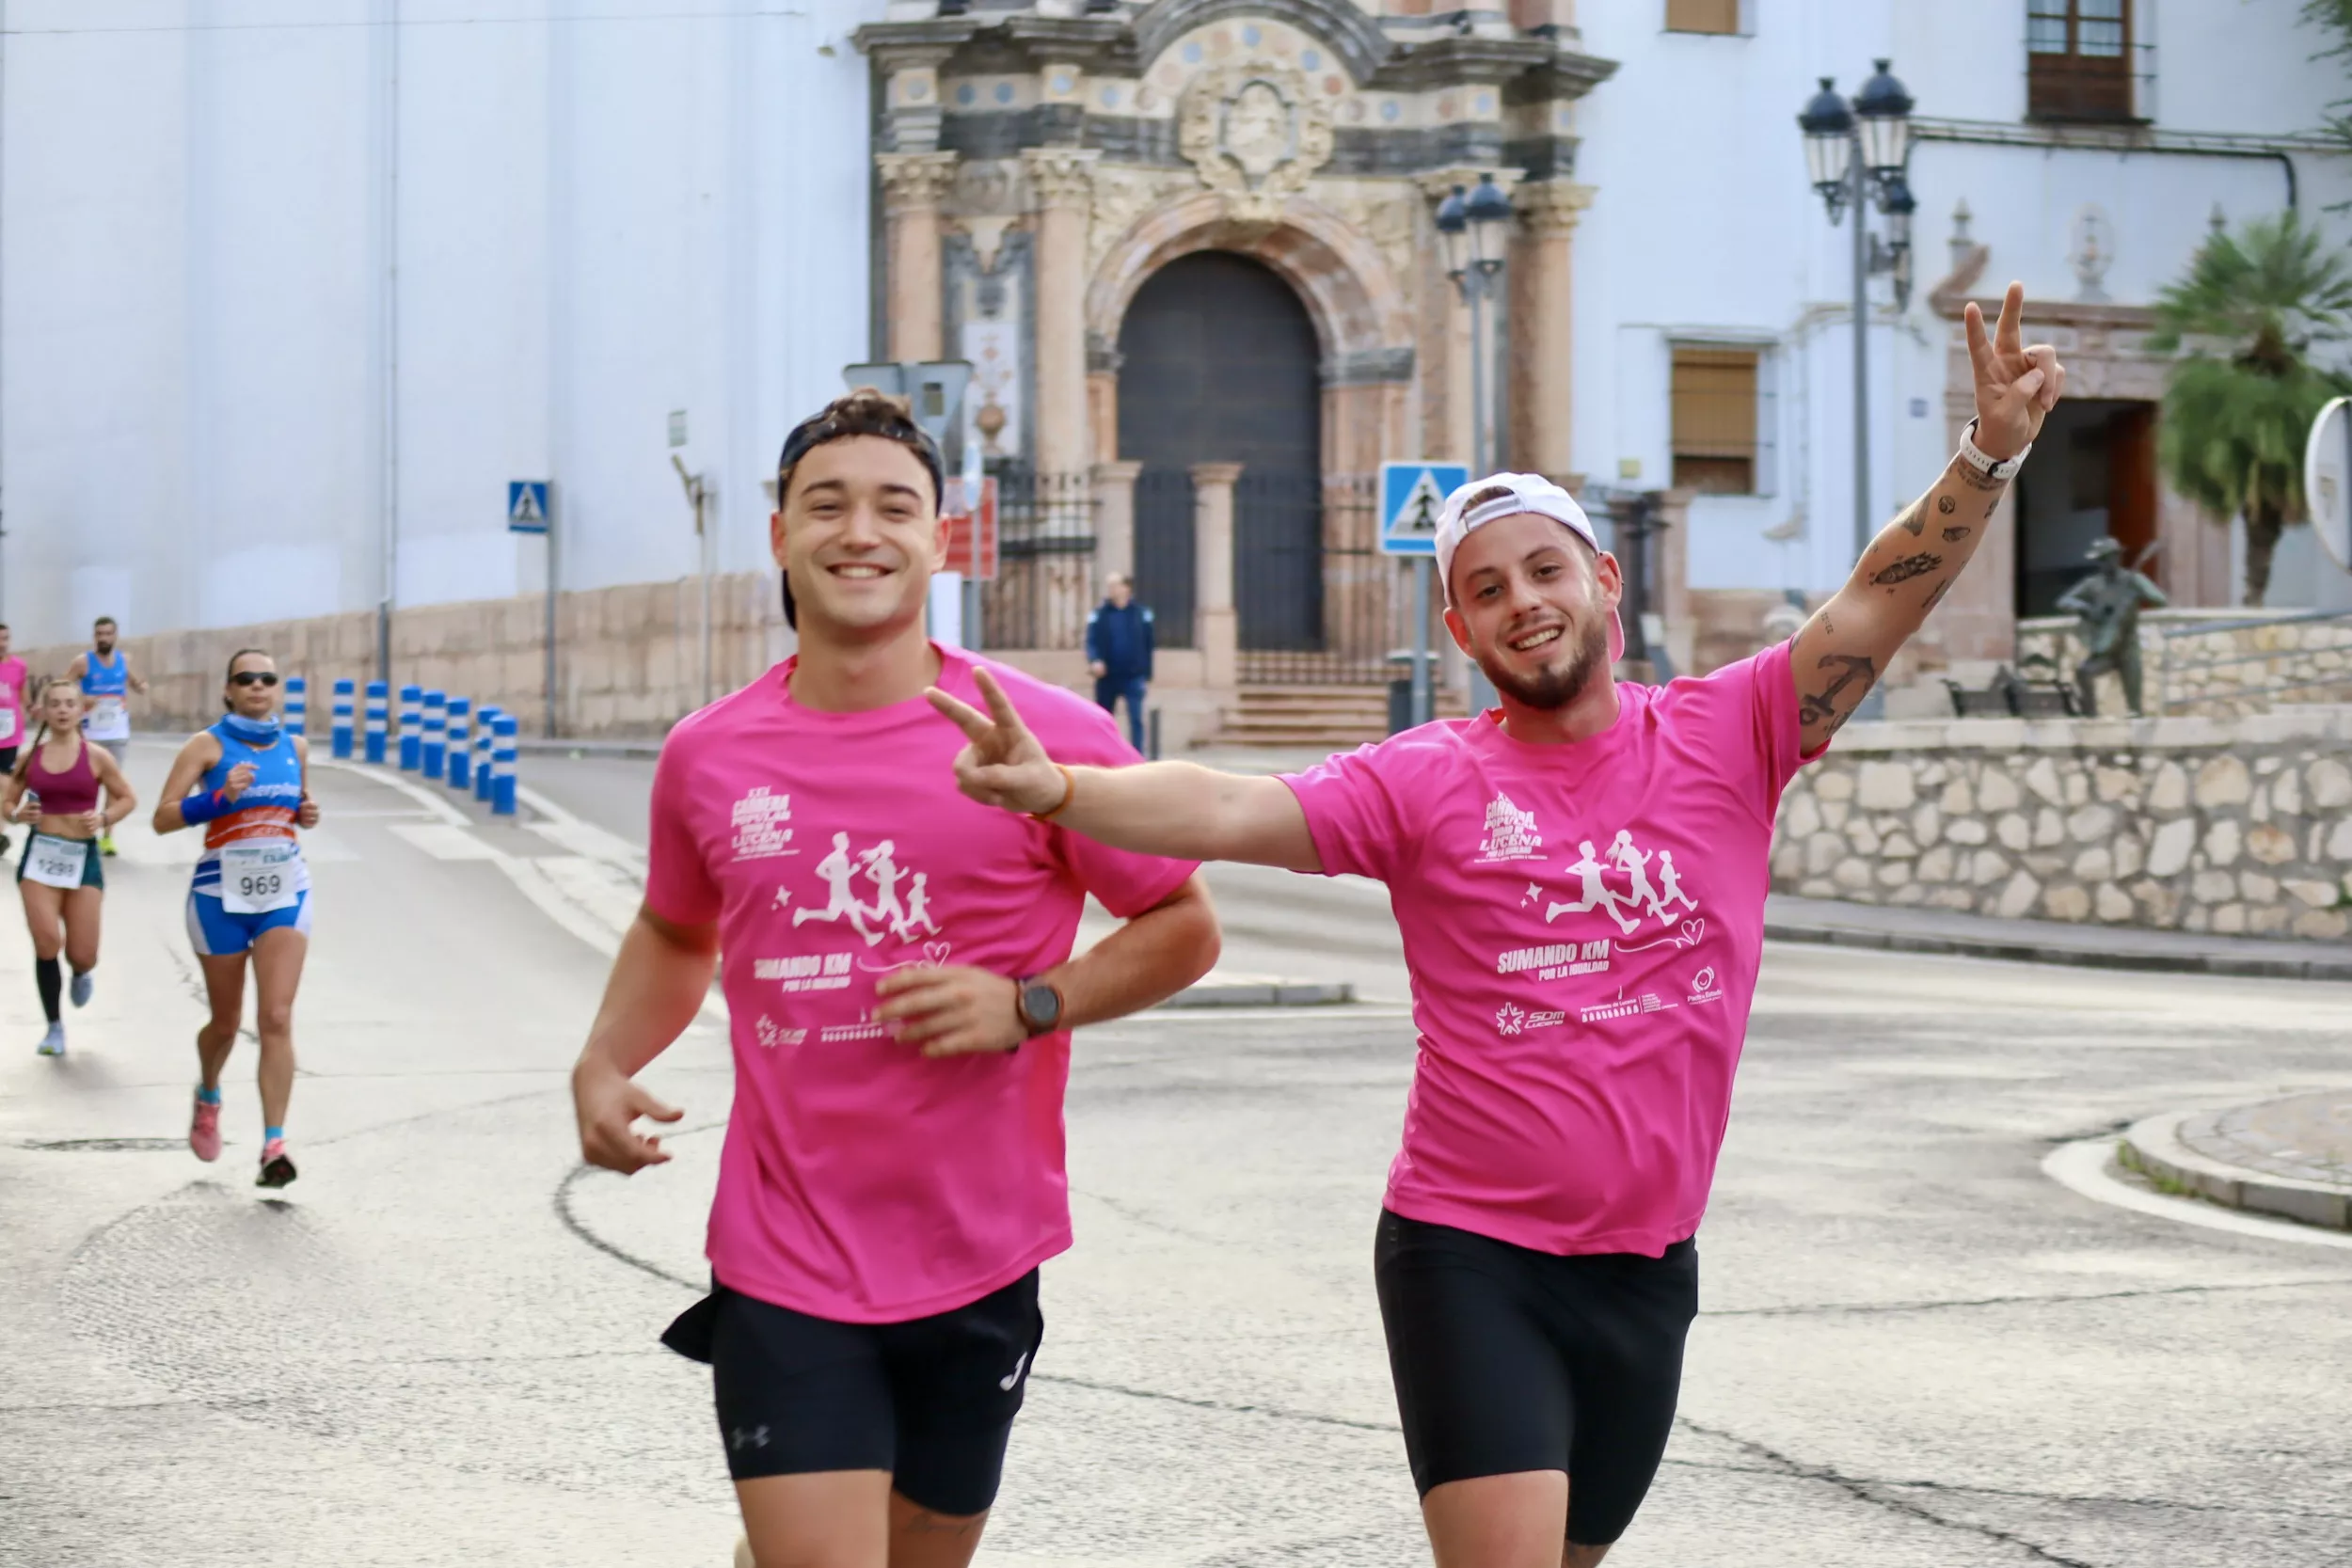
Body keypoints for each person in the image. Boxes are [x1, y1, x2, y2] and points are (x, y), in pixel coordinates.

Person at [927, 285, 2063, 1566]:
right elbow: (1235, 801)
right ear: (1459, 630)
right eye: (1486, 588)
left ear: (1602, 578)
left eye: (1544, 568)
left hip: (1648, 1267)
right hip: (1470, 1253)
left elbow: (1876, 600)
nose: (1523, 600)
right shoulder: (1427, 780)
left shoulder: (1734, 732)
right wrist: (1064, 789)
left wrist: (1988, 454)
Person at [568, 389, 1220, 1568]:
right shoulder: (709, 755)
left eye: (893, 506)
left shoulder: (1038, 734)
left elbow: (1181, 919)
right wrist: (608, 1057)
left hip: (979, 1247)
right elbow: (676, 929)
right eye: (827, 504)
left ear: (939, 537)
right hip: (784, 1250)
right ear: (779, 536)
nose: (858, 530)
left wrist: (1031, 1002)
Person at [151, 649, 320, 1188]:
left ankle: (274, 1145)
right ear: (228, 690)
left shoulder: (296, 746)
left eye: (267, 679)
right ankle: (208, 1091)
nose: (257, 686)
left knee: (275, 1016)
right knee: (226, 1023)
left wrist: (306, 814)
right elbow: (162, 818)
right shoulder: (206, 745)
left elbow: (296, 809)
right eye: (246, 679)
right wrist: (221, 798)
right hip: (219, 895)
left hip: (283, 891)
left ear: (278, 689)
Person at [5, 678, 137, 1057]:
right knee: (47, 942)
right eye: (55, 704)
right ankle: (54, 1028)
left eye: (69, 703)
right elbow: (7, 800)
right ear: (43, 711)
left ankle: (81, 972)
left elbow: (127, 797)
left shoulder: (97, 756)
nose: (62, 710)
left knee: (83, 953)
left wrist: (105, 815)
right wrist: (17, 815)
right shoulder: (31, 757)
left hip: (82, 858)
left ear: (82, 710)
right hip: (40, 857)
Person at [2056, 536, 2168, 716]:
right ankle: (2090, 714)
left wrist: (2136, 592)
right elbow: (2063, 601)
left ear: (2115, 557)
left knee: (2134, 709)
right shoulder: (2093, 584)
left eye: (2104, 559)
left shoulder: (2133, 580)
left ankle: (2134, 717)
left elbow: (2161, 599)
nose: (2101, 564)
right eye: (2099, 560)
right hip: (2105, 649)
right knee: (2084, 673)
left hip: (2127, 648)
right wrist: (2086, 608)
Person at [68, 615, 149, 857]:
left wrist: (142, 686)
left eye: (107, 634)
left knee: (114, 787)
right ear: (94, 637)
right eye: (99, 634)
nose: (103, 638)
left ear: (115, 636)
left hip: (117, 733)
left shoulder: (124, 660)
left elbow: (137, 682)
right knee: (85, 785)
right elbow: (61, 686)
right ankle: (80, 832)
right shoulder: (83, 662)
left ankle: (107, 837)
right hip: (90, 734)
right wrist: (82, 699)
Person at [1084, 573, 1154, 752]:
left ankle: (1137, 756)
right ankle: (1105, 752)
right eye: (1109, 586)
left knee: (1136, 718)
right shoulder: (1100, 614)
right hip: (1108, 677)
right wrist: (1095, 660)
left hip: (1133, 675)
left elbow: (1148, 644)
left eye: (1115, 586)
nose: (1111, 590)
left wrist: (1147, 673)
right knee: (1104, 719)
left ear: (1126, 588)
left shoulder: (1141, 614)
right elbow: (1091, 641)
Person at [0, 624, 29, 852]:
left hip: (9, 734)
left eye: (6, 639)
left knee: (5, 784)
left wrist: (37, 709)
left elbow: (25, 698)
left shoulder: (19, 666)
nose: (2, 644)